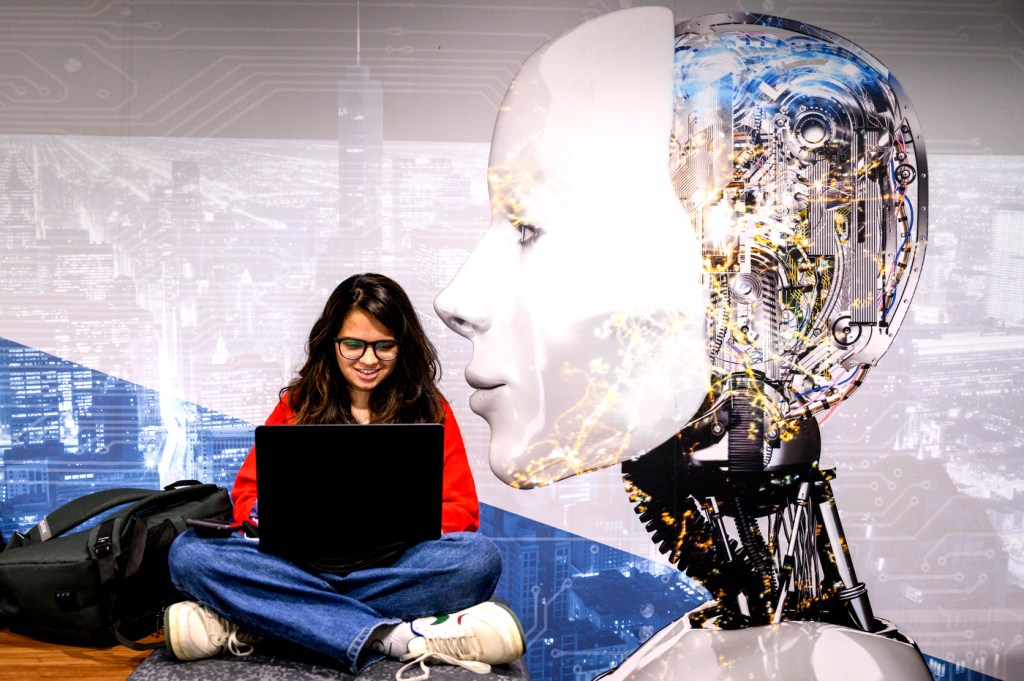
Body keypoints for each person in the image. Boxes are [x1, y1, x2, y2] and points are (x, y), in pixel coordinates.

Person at [166, 273, 526, 677]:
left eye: (384, 346)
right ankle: (393, 635)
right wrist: (268, 516)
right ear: (331, 342)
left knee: (478, 560)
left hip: (391, 563)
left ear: (402, 346)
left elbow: (462, 510)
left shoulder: (430, 409)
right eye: (353, 344)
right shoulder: (300, 403)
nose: (368, 359)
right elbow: (248, 493)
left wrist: (396, 527)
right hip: (301, 562)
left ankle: (266, 621)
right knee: (190, 554)